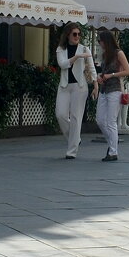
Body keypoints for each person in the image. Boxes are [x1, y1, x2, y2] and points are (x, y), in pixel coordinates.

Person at [54, 22, 98, 159]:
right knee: (60, 114)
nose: (77, 36)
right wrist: (77, 57)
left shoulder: (85, 49)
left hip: (80, 87)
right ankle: (75, 138)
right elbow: (63, 64)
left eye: (79, 34)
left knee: (75, 118)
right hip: (64, 86)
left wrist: (96, 85)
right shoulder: (61, 49)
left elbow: (92, 68)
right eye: (74, 34)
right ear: (68, 35)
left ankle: (72, 151)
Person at [95, 29, 129, 162]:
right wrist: (101, 77)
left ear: (106, 41)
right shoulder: (105, 54)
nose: (99, 43)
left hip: (115, 89)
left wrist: (112, 75)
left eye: (100, 41)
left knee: (111, 121)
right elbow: (104, 71)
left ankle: (113, 151)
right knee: (100, 119)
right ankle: (112, 144)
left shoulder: (118, 53)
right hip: (104, 89)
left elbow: (128, 71)